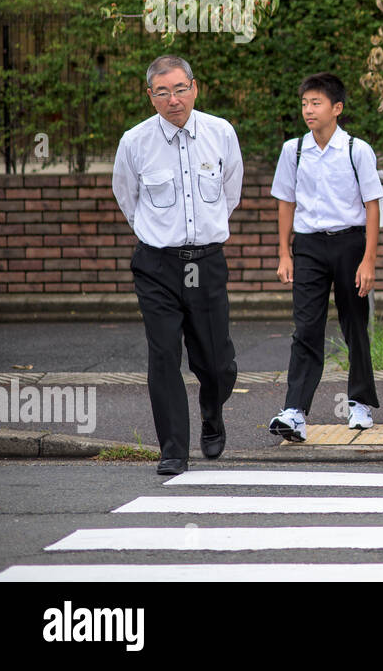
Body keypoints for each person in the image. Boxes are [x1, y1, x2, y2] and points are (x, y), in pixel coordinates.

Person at [112, 55, 243, 475]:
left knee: (216, 362)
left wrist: (201, 234)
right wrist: (160, 234)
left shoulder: (220, 133)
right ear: (150, 97)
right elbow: (128, 199)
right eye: (163, 92)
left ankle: (212, 412)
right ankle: (172, 449)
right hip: (157, 265)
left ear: (195, 87)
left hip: (205, 262)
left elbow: (230, 192)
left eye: (180, 88)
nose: (174, 99)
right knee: (164, 355)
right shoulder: (135, 142)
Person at [268, 72, 383, 443]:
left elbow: (372, 206)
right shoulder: (294, 150)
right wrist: (284, 253)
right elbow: (286, 202)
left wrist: (369, 259)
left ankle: (360, 403)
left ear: (337, 108)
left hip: (350, 243)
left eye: (316, 103)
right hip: (308, 246)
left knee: (355, 324)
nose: (308, 110)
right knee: (306, 328)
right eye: (304, 103)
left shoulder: (357, 150)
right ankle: (295, 412)